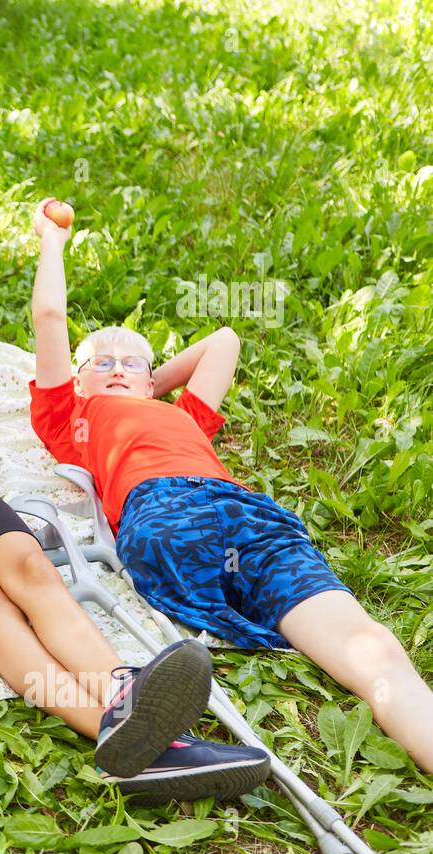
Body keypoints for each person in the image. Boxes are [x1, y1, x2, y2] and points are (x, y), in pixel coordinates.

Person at [27, 197, 433, 773]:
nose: (116, 366)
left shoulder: (184, 417)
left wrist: (141, 384)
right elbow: (48, 319)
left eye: (132, 362)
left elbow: (224, 340)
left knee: (372, 645)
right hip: (163, 511)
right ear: (77, 381)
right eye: (99, 362)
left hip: (248, 515)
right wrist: (50, 240)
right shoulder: (70, 419)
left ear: (153, 382)